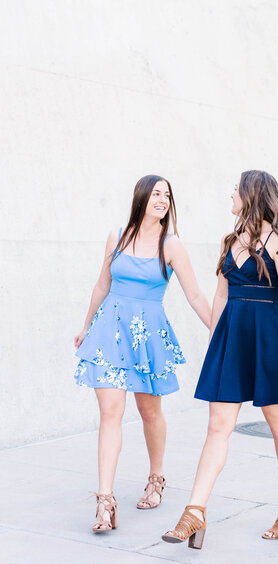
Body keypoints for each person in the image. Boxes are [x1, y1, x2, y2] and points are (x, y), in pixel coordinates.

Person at [162, 169, 278, 548]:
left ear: (251, 195)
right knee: (217, 427)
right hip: (231, 338)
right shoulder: (230, 240)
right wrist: (219, 338)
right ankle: (194, 512)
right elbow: (220, 296)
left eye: (235, 190)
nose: (229, 195)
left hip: (267, 336)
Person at [74, 174, 211, 532]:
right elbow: (103, 283)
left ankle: (156, 476)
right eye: (156, 194)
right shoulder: (117, 235)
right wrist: (86, 325)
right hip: (108, 332)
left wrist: (217, 327)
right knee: (110, 412)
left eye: (167, 195)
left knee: (149, 412)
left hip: (147, 336)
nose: (162, 199)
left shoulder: (171, 245)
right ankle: (105, 501)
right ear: (141, 198)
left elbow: (194, 294)